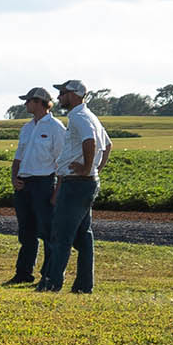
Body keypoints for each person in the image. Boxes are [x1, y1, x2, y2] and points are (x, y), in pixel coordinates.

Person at [36, 79, 109, 294]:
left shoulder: (78, 117)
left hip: (76, 183)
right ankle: (84, 285)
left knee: (61, 235)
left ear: (75, 94)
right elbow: (108, 145)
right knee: (83, 236)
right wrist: (94, 170)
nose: (58, 97)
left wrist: (87, 168)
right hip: (85, 182)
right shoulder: (90, 116)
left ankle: (52, 282)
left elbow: (90, 141)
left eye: (63, 93)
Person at [6, 86, 65, 286]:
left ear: (40, 102)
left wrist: (57, 190)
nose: (25, 104)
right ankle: (23, 272)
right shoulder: (27, 127)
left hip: (44, 182)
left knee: (47, 231)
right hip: (24, 183)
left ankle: (49, 273)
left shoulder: (56, 128)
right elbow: (18, 157)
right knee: (26, 231)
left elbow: (61, 162)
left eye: (29, 100)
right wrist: (14, 178)